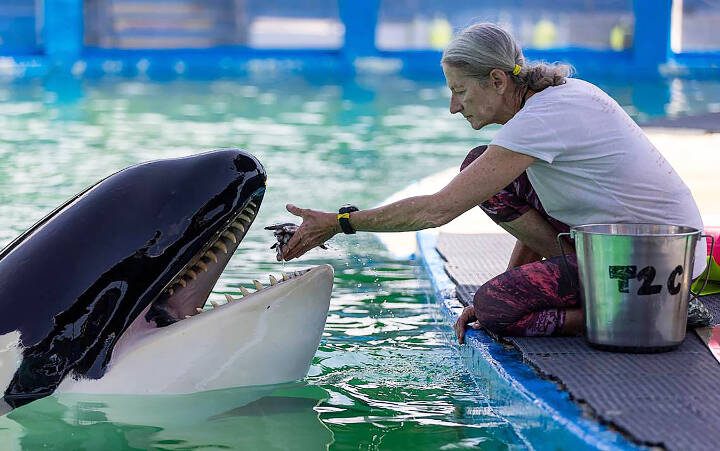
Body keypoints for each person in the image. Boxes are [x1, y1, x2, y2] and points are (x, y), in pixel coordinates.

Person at [277, 23, 711, 343]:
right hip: (640, 250)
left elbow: (437, 210)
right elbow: (525, 208)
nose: (453, 107)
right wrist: (513, 279)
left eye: (460, 91)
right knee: (482, 169)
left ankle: (632, 313)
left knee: (498, 310)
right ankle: (618, 299)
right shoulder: (553, 101)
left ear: (498, 81)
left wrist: (340, 222)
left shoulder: (543, 119)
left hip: (652, 269)